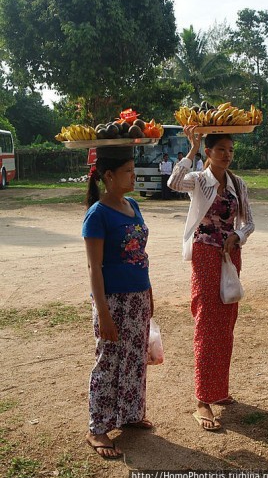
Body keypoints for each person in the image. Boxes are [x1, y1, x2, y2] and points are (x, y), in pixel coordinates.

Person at [168, 128, 254, 432]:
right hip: (204, 255)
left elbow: (249, 223)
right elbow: (174, 182)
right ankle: (203, 400)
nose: (227, 155)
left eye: (230, 150)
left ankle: (219, 390)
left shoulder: (238, 184)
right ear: (209, 153)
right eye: (220, 150)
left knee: (226, 321)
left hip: (231, 255)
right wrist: (190, 149)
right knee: (207, 321)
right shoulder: (199, 180)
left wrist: (238, 235)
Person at [82, 146, 154, 459]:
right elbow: (94, 268)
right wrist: (104, 313)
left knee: (136, 358)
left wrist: (149, 293)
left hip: (138, 297)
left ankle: (130, 414)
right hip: (112, 301)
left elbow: (140, 256)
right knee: (108, 361)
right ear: (109, 176)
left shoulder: (132, 204)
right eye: (128, 171)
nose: (133, 175)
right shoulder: (97, 214)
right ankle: (97, 429)